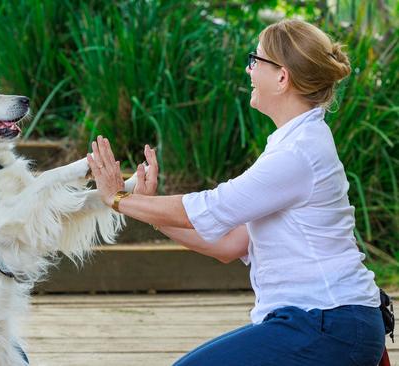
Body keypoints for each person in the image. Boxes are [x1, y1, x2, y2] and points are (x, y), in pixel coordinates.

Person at [87, 19, 385, 366]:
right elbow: (231, 245)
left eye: (255, 60)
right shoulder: (293, 144)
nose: (248, 69)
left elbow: (213, 207)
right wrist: (151, 211)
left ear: (282, 77)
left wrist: (120, 199)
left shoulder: (298, 153)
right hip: (324, 322)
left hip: (328, 324)